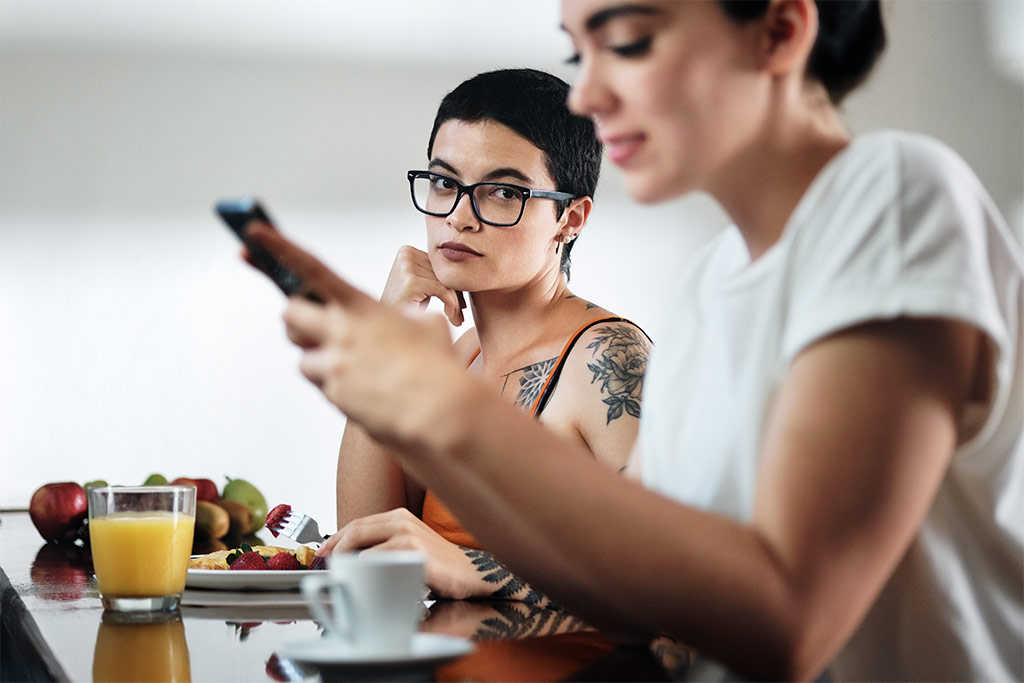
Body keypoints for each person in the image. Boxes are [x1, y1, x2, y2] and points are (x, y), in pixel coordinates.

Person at [246, 0, 1023, 679]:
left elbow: (791, 619)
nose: (586, 92)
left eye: (626, 41)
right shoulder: (711, 280)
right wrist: (396, 401)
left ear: (779, 31)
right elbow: (630, 598)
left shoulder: (894, 194)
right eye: (576, 51)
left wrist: (439, 409)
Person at [320, 69, 652, 602]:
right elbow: (368, 546)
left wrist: (476, 569)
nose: (459, 215)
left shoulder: (605, 358)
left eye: (502, 192)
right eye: (445, 182)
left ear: (570, 217)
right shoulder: (459, 359)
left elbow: (676, 576)